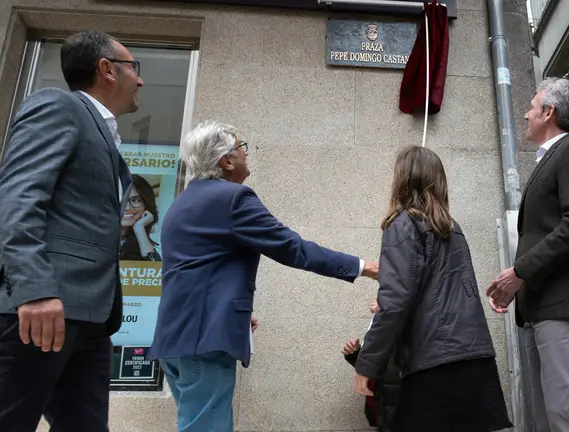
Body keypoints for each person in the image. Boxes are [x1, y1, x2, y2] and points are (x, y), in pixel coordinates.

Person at [148, 120, 379, 432]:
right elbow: (292, 247)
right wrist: (364, 266)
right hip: (203, 340)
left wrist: (233, 312)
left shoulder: (182, 203)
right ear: (226, 160)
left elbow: (192, 272)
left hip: (174, 339)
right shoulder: (232, 199)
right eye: (242, 148)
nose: (246, 154)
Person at [0, 30, 141, 431]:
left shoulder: (106, 136)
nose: (141, 79)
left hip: (92, 321)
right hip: (42, 312)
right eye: (134, 67)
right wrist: (35, 288)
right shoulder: (57, 107)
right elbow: (17, 197)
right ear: (106, 69)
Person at [353, 145, 511, 432]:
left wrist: (367, 363)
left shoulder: (402, 225)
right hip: (475, 359)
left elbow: (395, 301)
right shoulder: (451, 227)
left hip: (435, 364)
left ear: (402, 179)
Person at [486, 77, 569, 432]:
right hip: (544, 311)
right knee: (550, 423)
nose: (525, 114)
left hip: (566, 312)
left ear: (549, 112)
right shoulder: (552, 157)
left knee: (568, 420)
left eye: (531, 106)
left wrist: (519, 272)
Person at [342, 298, 401, 431]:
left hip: (405, 410)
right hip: (383, 410)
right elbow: (374, 364)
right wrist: (355, 353)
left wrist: (388, 312)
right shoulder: (378, 326)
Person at [120, 174, 161, 261]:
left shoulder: (140, 240)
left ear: (146, 205)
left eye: (135, 200)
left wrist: (140, 230)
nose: (127, 208)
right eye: (121, 200)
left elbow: (155, 271)